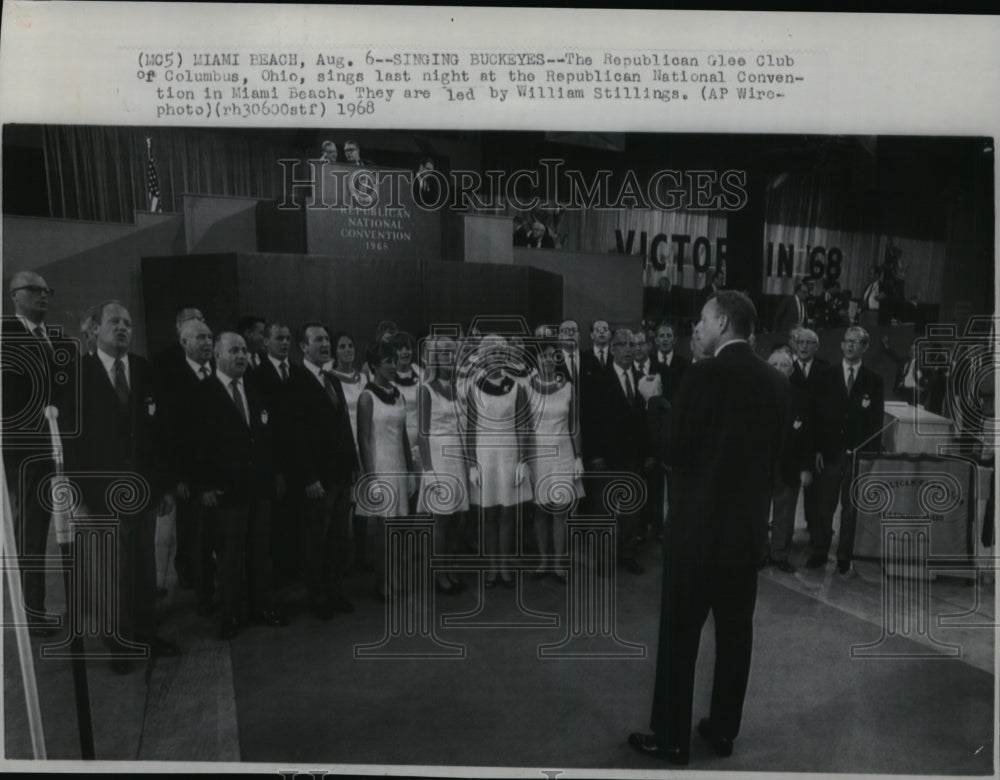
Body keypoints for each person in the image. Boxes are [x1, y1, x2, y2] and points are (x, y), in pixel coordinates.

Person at [629, 290, 789, 764]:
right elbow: (771, 461)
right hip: (744, 539)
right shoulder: (777, 384)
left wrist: (654, 402)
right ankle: (723, 731)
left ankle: (672, 739)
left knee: (680, 638)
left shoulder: (703, 375)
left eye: (702, 319)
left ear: (722, 321)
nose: (695, 328)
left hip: (697, 537)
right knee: (736, 638)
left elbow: (672, 451)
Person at [66, 301, 180, 674]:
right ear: (93, 328)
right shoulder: (78, 373)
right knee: (109, 576)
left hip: (143, 491)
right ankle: (119, 644)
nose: (123, 328)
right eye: (114, 321)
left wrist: (163, 488)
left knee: (143, 568)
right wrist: (78, 496)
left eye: (128, 323)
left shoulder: (143, 370)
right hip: (99, 495)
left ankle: (146, 633)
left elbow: (161, 434)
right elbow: (71, 442)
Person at [195, 332, 287, 639]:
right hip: (226, 489)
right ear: (217, 356)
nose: (241, 356)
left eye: (244, 350)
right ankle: (232, 614)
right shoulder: (205, 393)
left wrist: (274, 475)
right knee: (230, 555)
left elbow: (268, 436)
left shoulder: (255, 387)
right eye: (234, 350)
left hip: (259, 485)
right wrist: (205, 486)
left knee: (262, 550)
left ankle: (264, 606)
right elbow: (198, 445)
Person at [1, 271, 72, 636]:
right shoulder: (5, 337)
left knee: (50, 531)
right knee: (30, 535)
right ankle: (31, 613)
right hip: (25, 455)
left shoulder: (52, 337)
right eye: (34, 290)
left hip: (55, 452)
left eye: (47, 290)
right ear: (14, 296)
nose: (43, 295)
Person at [288, 322, 359, 618]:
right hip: (318, 479)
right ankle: (316, 598)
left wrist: (353, 468)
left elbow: (344, 426)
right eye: (318, 340)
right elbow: (296, 436)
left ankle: (335, 591)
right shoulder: (295, 379)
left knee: (338, 541)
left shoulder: (331, 378)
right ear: (303, 347)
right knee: (317, 540)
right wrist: (308, 477)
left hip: (341, 475)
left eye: (327, 340)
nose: (326, 345)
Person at [808, 326, 885, 576]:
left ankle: (844, 556)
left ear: (865, 347)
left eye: (857, 342)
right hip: (829, 452)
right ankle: (820, 551)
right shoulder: (826, 376)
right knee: (824, 505)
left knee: (851, 509)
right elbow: (817, 417)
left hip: (857, 456)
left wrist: (869, 456)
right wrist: (817, 449)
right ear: (841, 345)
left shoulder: (874, 380)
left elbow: (875, 422)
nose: (851, 346)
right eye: (847, 341)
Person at [158, 318, 215, 613]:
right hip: (190, 476)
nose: (207, 343)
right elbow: (169, 434)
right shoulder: (172, 379)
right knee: (199, 539)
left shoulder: (218, 372)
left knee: (218, 536)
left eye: (209, 337)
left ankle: (221, 589)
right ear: (184, 343)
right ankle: (205, 598)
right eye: (200, 338)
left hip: (219, 473)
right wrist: (177, 477)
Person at [465, 334, 530, 588]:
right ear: (482, 357)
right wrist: (471, 463)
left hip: (509, 453)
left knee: (507, 513)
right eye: (490, 352)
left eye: (500, 352)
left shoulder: (516, 386)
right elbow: (471, 428)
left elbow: (523, 425)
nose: (495, 357)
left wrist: (523, 460)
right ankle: (492, 567)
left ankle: (504, 566)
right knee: (488, 513)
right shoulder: (473, 387)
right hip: (484, 455)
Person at [584, 328, 647, 574]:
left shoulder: (641, 378)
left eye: (632, 344)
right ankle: (603, 558)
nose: (629, 349)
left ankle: (627, 553)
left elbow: (643, 421)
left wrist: (648, 453)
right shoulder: (600, 379)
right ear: (612, 349)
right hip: (606, 458)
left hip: (633, 456)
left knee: (631, 508)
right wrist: (595, 455)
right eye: (622, 344)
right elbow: (590, 421)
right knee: (604, 510)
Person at [357, 340, 416, 600]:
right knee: (383, 530)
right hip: (380, 467)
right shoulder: (366, 397)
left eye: (395, 361)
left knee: (401, 529)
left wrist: (411, 471)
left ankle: (398, 577)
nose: (394, 366)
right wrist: (372, 479)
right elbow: (364, 440)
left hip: (400, 466)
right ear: (373, 366)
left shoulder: (398, 394)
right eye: (388, 362)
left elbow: (403, 435)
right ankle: (382, 583)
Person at [525, 341, 584, 582]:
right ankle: (543, 560)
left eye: (551, 356)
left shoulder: (568, 386)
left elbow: (574, 424)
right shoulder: (527, 388)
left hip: (563, 453)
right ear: (536, 360)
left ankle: (559, 562)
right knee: (540, 509)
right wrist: (524, 459)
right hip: (538, 454)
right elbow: (524, 427)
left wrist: (579, 456)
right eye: (543, 356)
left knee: (560, 509)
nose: (548, 360)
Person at [416, 336, 470, 594]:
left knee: (456, 519)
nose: (449, 357)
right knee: (440, 519)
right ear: (435, 358)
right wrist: (427, 470)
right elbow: (422, 433)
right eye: (443, 353)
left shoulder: (458, 388)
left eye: (452, 352)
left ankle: (449, 567)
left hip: (456, 457)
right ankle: (438, 574)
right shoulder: (426, 389)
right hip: (437, 457)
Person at [255, 322, 298, 588]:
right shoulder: (257, 375)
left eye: (288, 338)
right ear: (266, 342)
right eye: (279, 338)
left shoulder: (297, 372)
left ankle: (294, 571)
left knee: (295, 520)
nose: (284, 343)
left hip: (298, 461)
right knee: (275, 525)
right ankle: (278, 578)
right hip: (274, 463)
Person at [765, 350, 812, 573]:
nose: (779, 369)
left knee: (785, 513)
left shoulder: (801, 397)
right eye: (774, 365)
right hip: (761, 464)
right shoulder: (756, 395)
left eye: (784, 365)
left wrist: (805, 467)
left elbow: (807, 437)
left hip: (789, 464)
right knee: (758, 512)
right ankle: (758, 553)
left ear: (792, 370)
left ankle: (779, 554)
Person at [328, 331, 371, 573]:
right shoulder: (330, 378)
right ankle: (341, 556)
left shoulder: (363, 377)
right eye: (342, 346)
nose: (348, 350)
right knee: (345, 503)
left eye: (351, 345)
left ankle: (362, 555)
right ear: (335, 351)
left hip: (363, 439)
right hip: (345, 444)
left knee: (363, 503)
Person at [650, 321, 688, 402]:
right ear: (656, 340)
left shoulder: (684, 364)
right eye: (662, 336)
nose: (665, 339)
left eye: (669, 336)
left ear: (674, 340)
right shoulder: (649, 362)